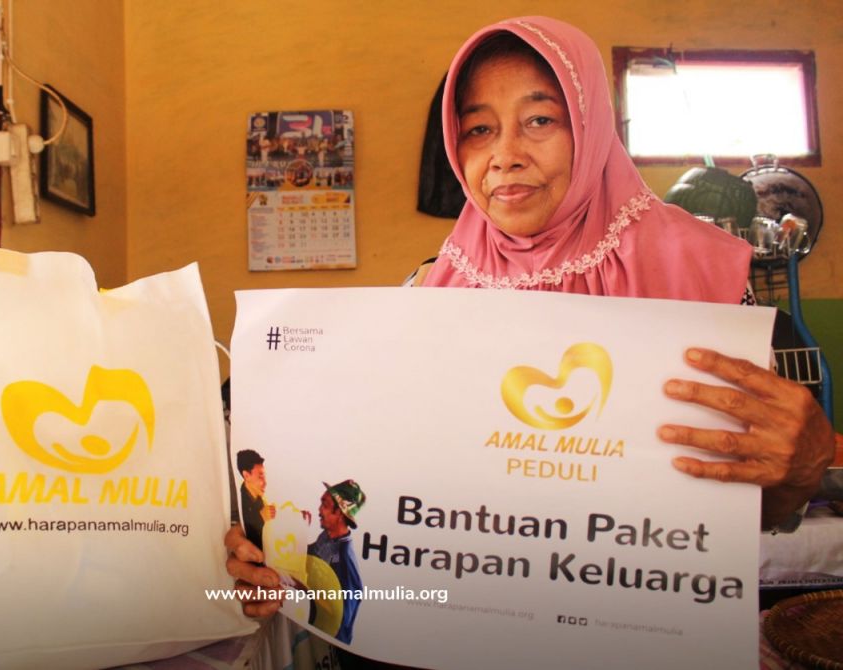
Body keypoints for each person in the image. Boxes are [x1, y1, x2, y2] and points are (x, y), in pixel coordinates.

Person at [225, 13, 836, 660]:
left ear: (591, 128)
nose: (505, 154)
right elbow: (382, 501)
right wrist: (272, 549)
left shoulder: (703, 275)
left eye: (540, 120)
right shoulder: (424, 295)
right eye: (478, 129)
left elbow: (755, 512)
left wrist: (801, 469)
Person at [305, 480, 366, 645]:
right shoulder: (326, 537)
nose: (319, 510)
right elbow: (308, 557)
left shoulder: (345, 557)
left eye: (324, 505)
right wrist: (299, 529)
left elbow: (342, 618)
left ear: (339, 513)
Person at [236, 449, 275, 549]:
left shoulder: (259, 498)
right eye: (260, 476)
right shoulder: (240, 504)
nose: (265, 483)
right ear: (246, 475)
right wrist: (261, 519)